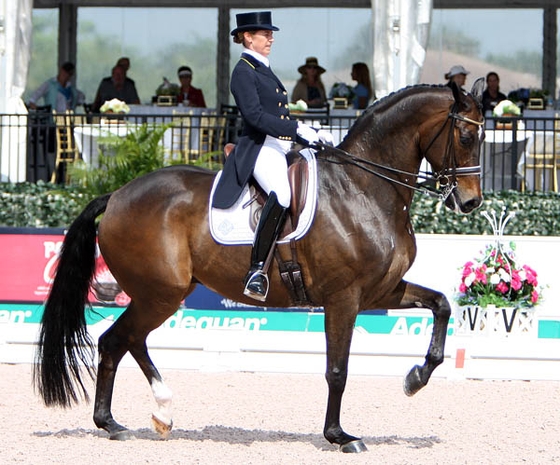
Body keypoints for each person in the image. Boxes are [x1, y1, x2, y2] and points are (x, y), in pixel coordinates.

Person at [211, 11, 332, 302]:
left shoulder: (263, 67)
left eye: (271, 34)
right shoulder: (243, 71)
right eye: (265, 34)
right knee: (282, 193)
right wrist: (297, 127)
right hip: (259, 147)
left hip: (279, 145)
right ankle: (257, 270)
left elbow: (276, 110)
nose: (271, 38)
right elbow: (254, 116)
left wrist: (310, 132)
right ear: (248, 37)